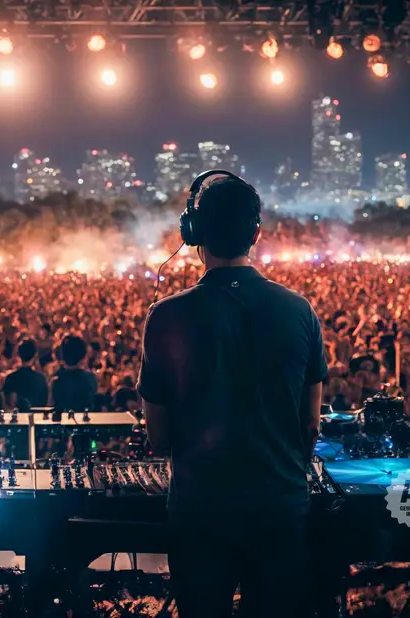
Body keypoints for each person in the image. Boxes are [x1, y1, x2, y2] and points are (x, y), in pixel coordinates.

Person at [138, 175, 326, 618]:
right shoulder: (300, 311)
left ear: (193, 234)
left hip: (201, 513)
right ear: (256, 233)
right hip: (280, 510)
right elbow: (311, 426)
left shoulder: (165, 316)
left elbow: (160, 441)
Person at [50, 335, 97, 412]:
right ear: (83, 356)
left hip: (62, 423)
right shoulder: (90, 378)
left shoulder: (56, 381)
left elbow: (50, 407)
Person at [2, 339, 49, 409]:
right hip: (37, 418)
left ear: (18, 354)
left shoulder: (11, 378)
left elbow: (11, 404)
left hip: (18, 418)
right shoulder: (41, 379)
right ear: (35, 355)